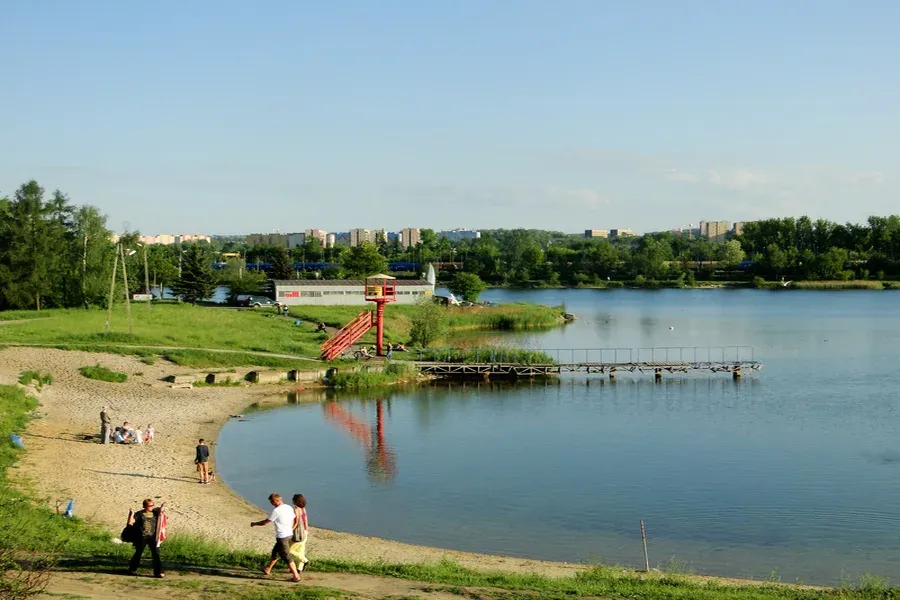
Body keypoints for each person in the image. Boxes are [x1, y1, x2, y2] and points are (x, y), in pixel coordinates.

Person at [251, 493, 302, 582]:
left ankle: (296, 576)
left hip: (282, 536)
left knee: (286, 556)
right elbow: (293, 519)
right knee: (275, 552)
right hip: (289, 534)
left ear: (277, 500)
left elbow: (265, 522)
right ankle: (267, 569)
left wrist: (254, 523)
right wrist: (290, 529)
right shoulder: (288, 507)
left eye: (272, 502)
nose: (272, 504)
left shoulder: (276, 511)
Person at [128, 499, 165, 578]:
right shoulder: (139, 514)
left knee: (156, 554)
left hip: (153, 537)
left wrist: (162, 508)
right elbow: (130, 522)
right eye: (150, 505)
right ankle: (132, 569)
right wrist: (131, 514)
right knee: (138, 553)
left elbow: (161, 514)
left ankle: (159, 572)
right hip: (141, 537)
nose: (152, 507)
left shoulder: (155, 513)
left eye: (152, 505)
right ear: (144, 506)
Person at [289, 494, 310, 573]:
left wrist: (291, 530)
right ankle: (299, 568)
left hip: (298, 533)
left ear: (296, 501)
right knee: (300, 551)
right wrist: (306, 530)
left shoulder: (296, 509)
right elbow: (306, 520)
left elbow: (295, 521)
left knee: (288, 550)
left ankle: (305, 560)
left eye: (293, 499)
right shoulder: (303, 509)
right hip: (304, 531)